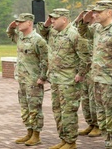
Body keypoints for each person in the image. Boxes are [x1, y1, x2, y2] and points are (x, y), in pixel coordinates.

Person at [78, 0, 112, 149]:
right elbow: (82, 32)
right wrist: (85, 20)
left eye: (99, 12)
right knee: (102, 120)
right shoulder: (97, 29)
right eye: (95, 12)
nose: (95, 14)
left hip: (111, 83)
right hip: (97, 81)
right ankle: (109, 145)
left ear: (109, 12)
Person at [38, 8, 90, 149]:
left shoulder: (74, 35)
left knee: (68, 112)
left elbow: (86, 58)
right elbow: (42, 31)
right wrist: (49, 22)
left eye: (55, 18)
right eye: (52, 18)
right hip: (56, 79)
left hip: (69, 81)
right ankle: (63, 139)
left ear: (64, 19)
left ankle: (71, 142)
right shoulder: (54, 32)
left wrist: (80, 74)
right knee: (57, 111)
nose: (52, 21)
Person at [7, 13, 48, 146]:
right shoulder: (20, 37)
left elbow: (45, 60)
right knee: (24, 108)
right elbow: (10, 33)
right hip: (22, 79)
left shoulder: (38, 40)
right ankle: (29, 132)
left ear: (29, 23)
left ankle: (36, 135)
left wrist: (42, 77)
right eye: (17, 22)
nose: (18, 24)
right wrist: (11, 26)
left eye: (21, 22)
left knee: (34, 108)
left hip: (33, 80)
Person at [74, 5, 101, 137]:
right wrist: (81, 17)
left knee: (93, 99)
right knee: (85, 99)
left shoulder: (97, 29)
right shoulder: (82, 29)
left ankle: (97, 125)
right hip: (83, 69)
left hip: (94, 70)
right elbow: (75, 27)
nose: (90, 16)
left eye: (92, 14)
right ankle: (90, 123)